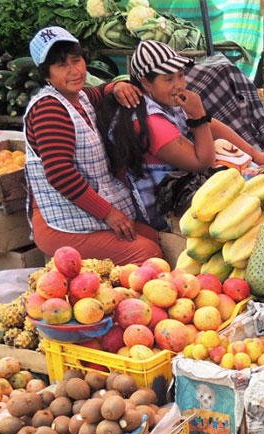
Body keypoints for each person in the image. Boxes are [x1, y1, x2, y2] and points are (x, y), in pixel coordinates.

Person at [100, 40, 264, 230]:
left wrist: (255, 154)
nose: (179, 85)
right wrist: (198, 116)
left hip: (180, 186)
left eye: (180, 76)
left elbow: (212, 126)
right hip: (162, 212)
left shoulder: (164, 101)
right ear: (146, 83)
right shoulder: (150, 122)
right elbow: (202, 161)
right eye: (168, 79)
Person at [24, 26, 163, 264]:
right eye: (61, 65)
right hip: (61, 221)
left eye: (76, 60)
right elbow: (60, 174)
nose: (74, 71)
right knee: (147, 254)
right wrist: (110, 215)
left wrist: (116, 86)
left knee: (153, 237)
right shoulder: (50, 109)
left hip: (81, 212)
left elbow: (99, 90)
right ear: (46, 74)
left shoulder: (79, 98)